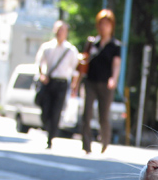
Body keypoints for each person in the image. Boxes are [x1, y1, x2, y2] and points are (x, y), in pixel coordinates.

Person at [74, 9, 122, 154]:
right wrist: (76, 84)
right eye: (101, 24)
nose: (103, 27)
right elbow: (83, 65)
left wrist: (113, 79)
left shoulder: (115, 45)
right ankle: (86, 146)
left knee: (103, 115)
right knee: (86, 113)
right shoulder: (91, 43)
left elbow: (116, 64)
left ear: (112, 26)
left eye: (106, 24)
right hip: (90, 81)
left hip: (106, 84)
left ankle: (104, 143)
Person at [35, 21, 79, 149]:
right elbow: (40, 63)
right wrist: (42, 75)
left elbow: (75, 70)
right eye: (58, 30)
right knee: (45, 110)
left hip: (62, 83)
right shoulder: (47, 47)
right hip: (49, 82)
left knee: (56, 111)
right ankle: (47, 128)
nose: (59, 32)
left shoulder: (70, 50)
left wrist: (74, 87)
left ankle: (51, 138)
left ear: (66, 33)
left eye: (62, 30)